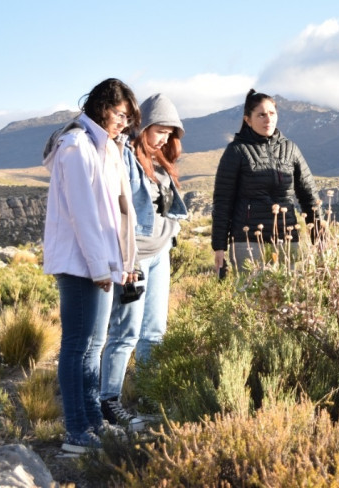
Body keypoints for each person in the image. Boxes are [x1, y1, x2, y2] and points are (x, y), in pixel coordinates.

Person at [42, 78, 140, 454]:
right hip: (79, 262)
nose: (124, 123)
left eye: (128, 118)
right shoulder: (76, 147)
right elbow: (84, 215)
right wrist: (103, 268)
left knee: (92, 345)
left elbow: (114, 215)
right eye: (120, 115)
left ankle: (92, 424)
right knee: (77, 346)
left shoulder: (105, 147)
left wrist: (120, 264)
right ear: (102, 108)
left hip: (97, 262)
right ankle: (76, 431)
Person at [100, 93, 188, 430]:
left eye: (170, 133)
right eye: (159, 131)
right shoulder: (122, 155)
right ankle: (109, 401)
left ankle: (149, 394)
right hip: (133, 257)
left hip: (160, 254)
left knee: (155, 332)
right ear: (143, 126)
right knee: (125, 331)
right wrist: (125, 260)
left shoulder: (160, 161)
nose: (165, 139)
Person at [211, 89, 321, 274]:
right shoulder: (237, 151)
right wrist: (219, 246)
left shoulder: (290, 149)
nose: (268, 120)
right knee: (251, 301)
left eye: (272, 113)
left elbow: (309, 195)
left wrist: (319, 238)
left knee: (288, 300)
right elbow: (222, 202)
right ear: (248, 119)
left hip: (287, 239)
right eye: (261, 115)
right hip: (248, 242)